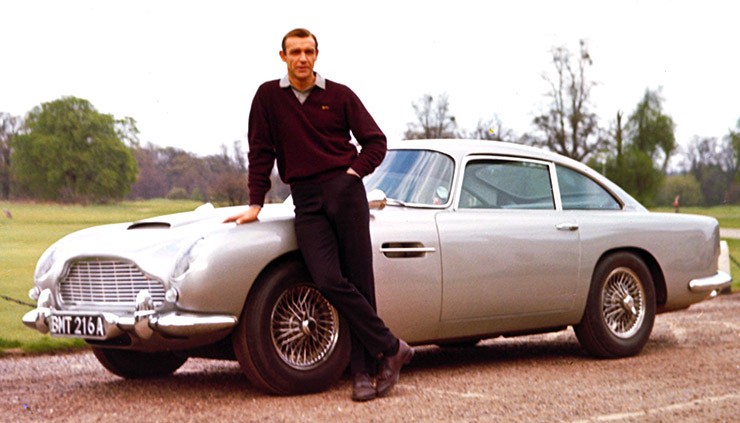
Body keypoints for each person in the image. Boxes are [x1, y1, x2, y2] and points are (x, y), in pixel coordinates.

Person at [224, 28, 413, 402]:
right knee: (327, 278)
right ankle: (392, 348)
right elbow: (260, 151)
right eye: (295, 52)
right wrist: (255, 203)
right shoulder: (267, 97)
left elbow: (375, 141)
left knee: (360, 281)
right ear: (283, 57)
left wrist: (352, 174)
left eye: (308, 51)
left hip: (345, 193)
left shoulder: (339, 95)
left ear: (317, 54)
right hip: (306, 198)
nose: (302, 59)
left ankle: (362, 372)